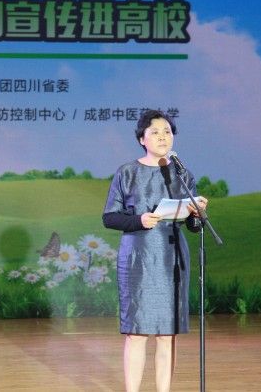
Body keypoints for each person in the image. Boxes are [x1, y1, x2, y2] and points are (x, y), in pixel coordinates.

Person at [102, 110, 208, 392]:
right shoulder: (127, 172)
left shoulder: (182, 174)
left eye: (167, 132)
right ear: (142, 139)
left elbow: (193, 226)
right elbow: (109, 217)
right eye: (155, 132)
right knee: (137, 333)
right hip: (138, 258)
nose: (163, 137)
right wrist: (139, 220)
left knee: (167, 334)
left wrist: (197, 214)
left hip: (171, 258)